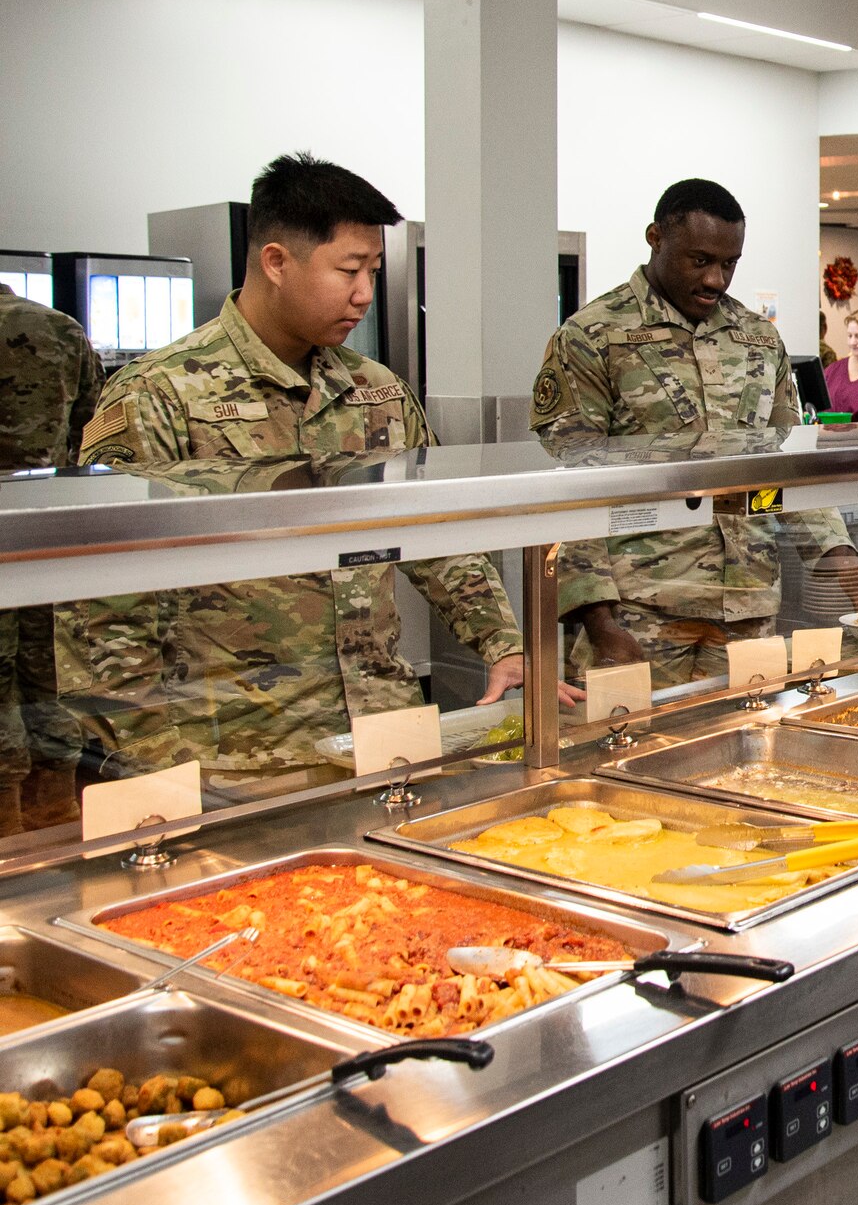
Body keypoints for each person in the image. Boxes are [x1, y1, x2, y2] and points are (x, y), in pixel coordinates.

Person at [58, 153, 546, 780]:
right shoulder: (159, 394)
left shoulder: (377, 391)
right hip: (235, 756)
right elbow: (100, 605)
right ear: (277, 262)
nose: (365, 294)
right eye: (349, 270)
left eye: (373, 270)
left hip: (385, 732)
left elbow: (440, 534)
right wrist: (152, 761)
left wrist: (503, 644)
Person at [531, 178, 858, 686]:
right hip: (640, 610)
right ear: (655, 238)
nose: (716, 280)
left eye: (729, 264)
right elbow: (573, 486)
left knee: (744, 750)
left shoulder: (757, 338)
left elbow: (784, 465)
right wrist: (598, 618)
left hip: (748, 603)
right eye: (699, 260)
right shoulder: (594, 336)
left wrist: (844, 560)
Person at [0, 280, 103, 834]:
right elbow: (92, 447)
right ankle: (55, 805)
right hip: (50, 539)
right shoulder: (62, 330)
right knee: (50, 673)